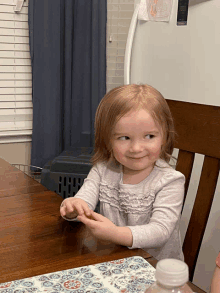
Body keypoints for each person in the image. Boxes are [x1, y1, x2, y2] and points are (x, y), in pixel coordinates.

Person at [60, 84, 185, 261]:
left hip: (157, 270)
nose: (136, 148)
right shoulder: (102, 170)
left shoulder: (170, 181)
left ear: (165, 137)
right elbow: (83, 202)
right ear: (108, 141)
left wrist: (115, 233)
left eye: (149, 136)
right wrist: (73, 207)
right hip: (115, 260)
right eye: (124, 138)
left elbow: (160, 231)